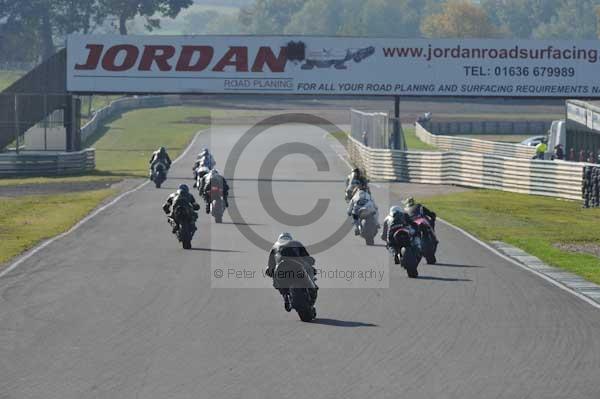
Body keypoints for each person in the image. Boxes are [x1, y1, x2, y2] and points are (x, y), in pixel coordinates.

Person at [265, 233, 317, 312]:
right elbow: (307, 257)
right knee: (310, 271)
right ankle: (287, 296)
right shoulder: (296, 243)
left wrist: (270, 271)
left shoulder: (274, 246)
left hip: (281, 269)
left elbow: (270, 265)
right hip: (297, 266)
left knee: (276, 279)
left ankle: (285, 297)